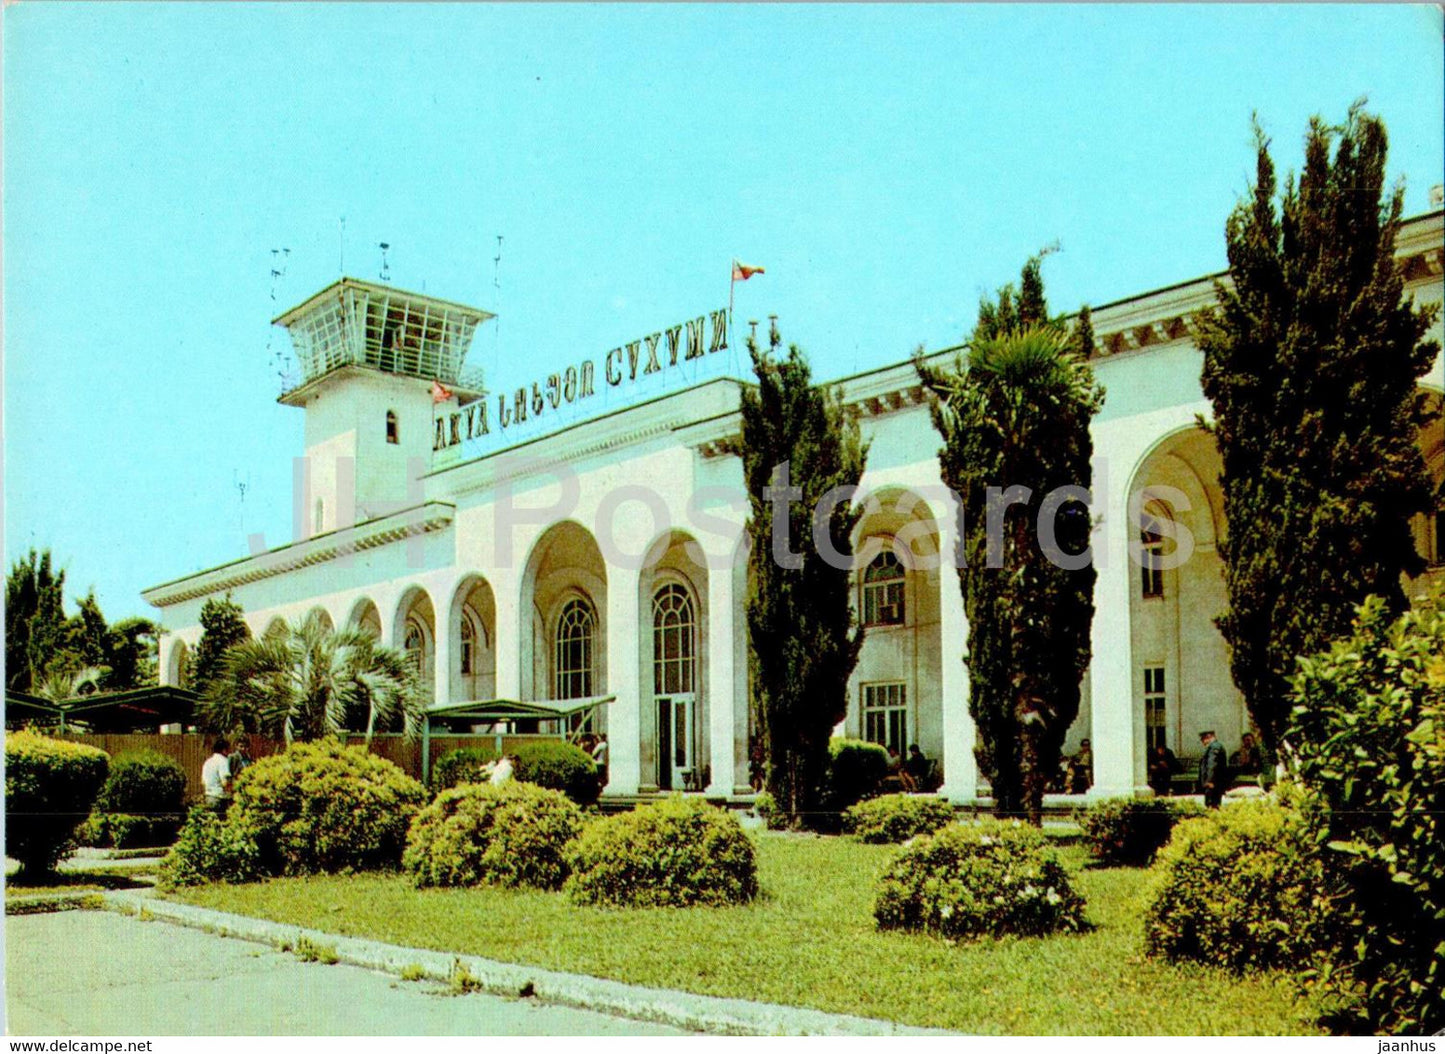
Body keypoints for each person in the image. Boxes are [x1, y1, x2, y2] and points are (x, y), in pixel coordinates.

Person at [202, 737, 233, 815]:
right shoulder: (223, 761)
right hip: (219, 798)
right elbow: (224, 782)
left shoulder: (208, 762)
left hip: (208, 797)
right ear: (224, 750)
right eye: (228, 749)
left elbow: (203, 782)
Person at [1197, 730, 1228, 808]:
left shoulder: (1214, 747)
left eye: (1203, 739)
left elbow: (1212, 764)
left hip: (1213, 783)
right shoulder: (1215, 746)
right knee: (1214, 805)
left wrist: (1210, 781)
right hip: (1215, 782)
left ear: (1208, 737)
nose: (1202, 742)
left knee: (1211, 805)